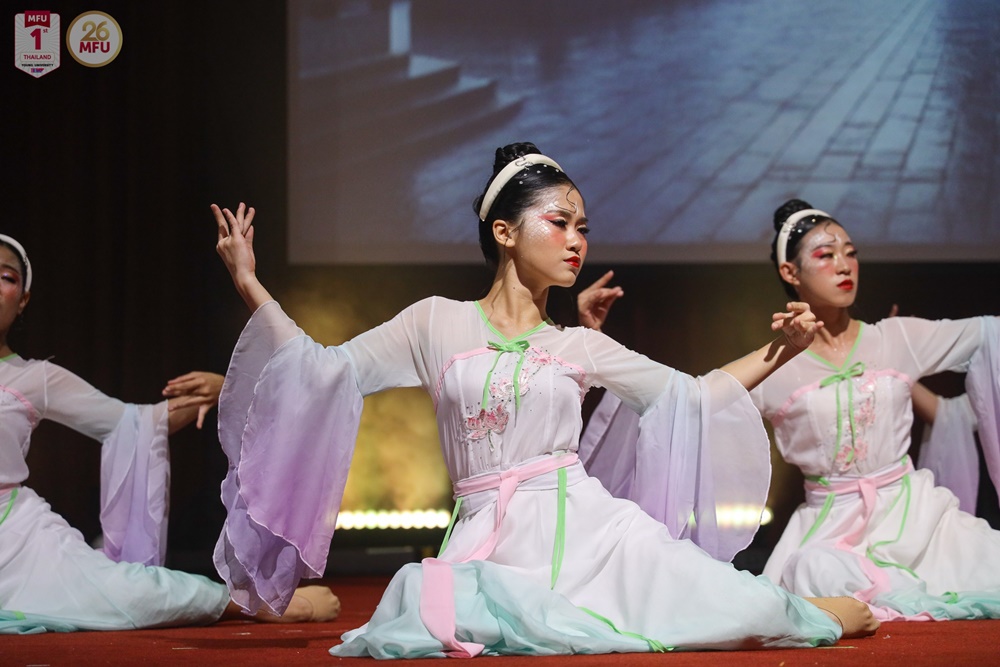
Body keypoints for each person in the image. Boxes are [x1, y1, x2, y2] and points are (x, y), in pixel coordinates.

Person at [209, 143, 877, 658]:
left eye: (582, 227)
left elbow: (693, 396)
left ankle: (813, 610)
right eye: (559, 222)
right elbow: (324, 372)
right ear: (505, 232)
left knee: (735, 609)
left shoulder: (576, 345)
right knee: (427, 610)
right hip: (486, 539)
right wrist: (248, 282)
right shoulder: (435, 322)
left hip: (593, 533)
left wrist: (784, 349)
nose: (577, 240)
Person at [580, 200, 1000, 622]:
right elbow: (690, 401)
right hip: (833, 531)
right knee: (819, 572)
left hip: (918, 519)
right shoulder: (779, 363)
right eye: (826, 255)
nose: (844, 265)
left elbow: (988, 334)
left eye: (850, 253)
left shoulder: (896, 338)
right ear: (790, 272)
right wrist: (601, 348)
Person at [0, 234, 339, 633]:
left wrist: (225, 390)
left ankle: (249, 604)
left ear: (23, 300)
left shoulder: (33, 378)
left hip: (15, 537)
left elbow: (134, 422)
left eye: (6, 277)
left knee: (126, 592)